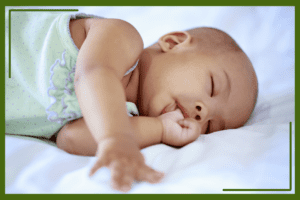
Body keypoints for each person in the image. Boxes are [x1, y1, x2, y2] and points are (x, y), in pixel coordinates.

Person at [6, 12, 258, 192]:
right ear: (173, 43)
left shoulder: (129, 119)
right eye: (212, 85)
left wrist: (159, 129)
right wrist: (117, 138)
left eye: (212, 126)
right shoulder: (122, 38)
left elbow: (70, 138)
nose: (203, 113)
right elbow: (94, 74)